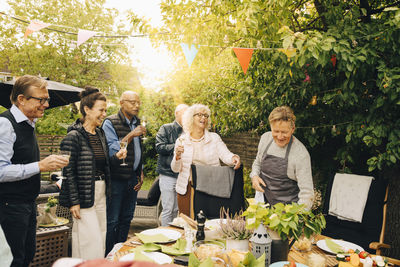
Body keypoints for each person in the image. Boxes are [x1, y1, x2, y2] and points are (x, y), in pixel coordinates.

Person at [0, 75, 69, 267]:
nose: (46, 104)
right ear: (21, 99)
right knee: (13, 261)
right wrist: (40, 165)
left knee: (28, 255)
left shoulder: (29, 124)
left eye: (47, 99)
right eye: (41, 99)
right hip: (9, 207)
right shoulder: (5, 124)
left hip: (27, 206)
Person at [59, 87, 126, 259]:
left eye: (105, 110)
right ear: (87, 110)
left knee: (101, 234)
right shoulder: (73, 136)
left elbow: (101, 165)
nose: (104, 114)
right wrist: (74, 201)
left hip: (101, 191)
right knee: (89, 239)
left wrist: (116, 157)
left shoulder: (100, 133)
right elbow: (67, 172)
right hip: (83, 195)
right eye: (101, 110)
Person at [171, 104, 241, 216]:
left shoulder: (214, 138)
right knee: (187, 223)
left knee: (209, 222)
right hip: (188, 188)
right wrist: (177, 156)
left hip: (210, 187)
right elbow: (175, 169)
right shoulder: (181, 140)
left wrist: (233, 158)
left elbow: (225, 154)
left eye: (206, 115)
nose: (203, 118)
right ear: (190, 118)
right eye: (199, 115)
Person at [102, 91, 145, 255]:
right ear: (122, 103)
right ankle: (109, 255)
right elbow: (113, 148)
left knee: (127, 218)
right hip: (117, 178)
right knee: (113, 220)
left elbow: (138, 149)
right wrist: (132, 134)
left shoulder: (136, 121)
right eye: (132, 102)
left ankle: (121, 251)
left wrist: (140, 171)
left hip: (132, 177)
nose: (136, 105)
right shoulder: (110, 122)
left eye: (138, 102)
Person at [250, 106, 314, 209]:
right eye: (275, 131)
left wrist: (297, 218)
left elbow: (307, 194)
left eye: (284, 132)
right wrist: (254, 176)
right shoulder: (265, 139)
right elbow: (257, 162)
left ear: (292, 129)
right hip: (263, 205)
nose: (280, 137)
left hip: (288, 214)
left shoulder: (300, 154)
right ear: (271, 127)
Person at [155, 104, 188, 226]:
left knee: (177, 210)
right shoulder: (165, 128)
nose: (186, 116)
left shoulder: (190, 131)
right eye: (184, 113)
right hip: (167, 173)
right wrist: (176, 146)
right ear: (176, 114)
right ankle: (164, 233)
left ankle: (172, 235)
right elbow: (159, 147)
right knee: (168, 209)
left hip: (182, 175)